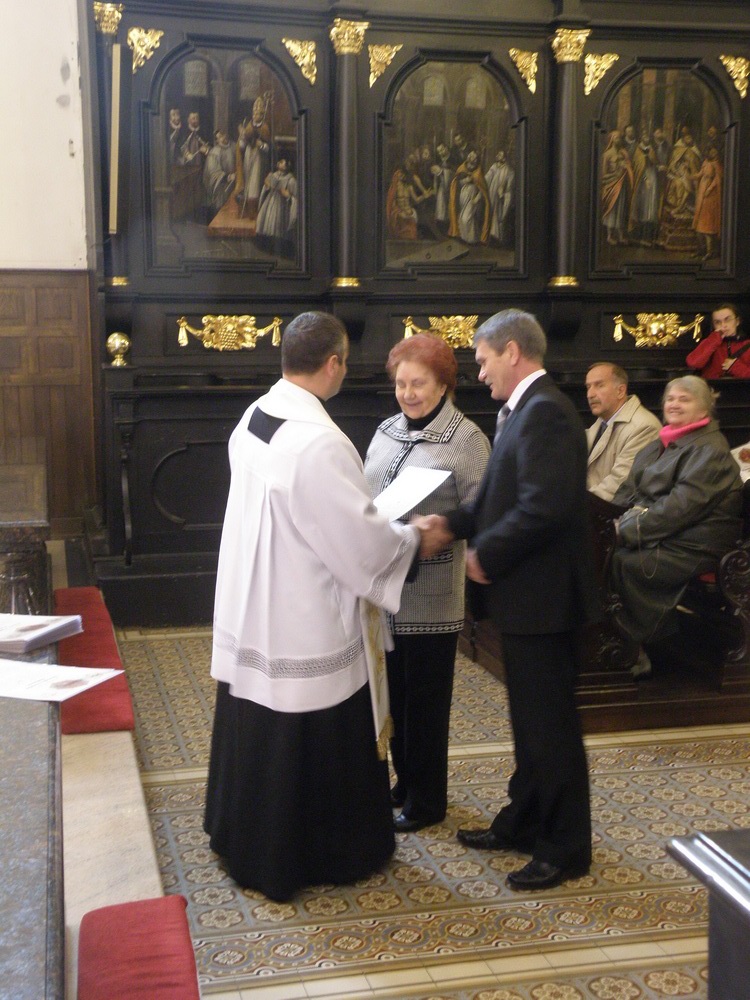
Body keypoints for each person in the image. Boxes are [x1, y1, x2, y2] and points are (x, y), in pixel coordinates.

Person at [204, 311, 432, 902]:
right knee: (310, 720)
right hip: (302, 616)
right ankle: (319, 853)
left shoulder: (255, 415)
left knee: (257, 716)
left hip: (256, 605)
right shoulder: (320, 442)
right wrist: (413, 540)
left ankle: (243, 836)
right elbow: (359, 542)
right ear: (333, 364)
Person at [417, 309, 598, 891]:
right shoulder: (522, 411)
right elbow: (501, 497)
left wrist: (486, 555)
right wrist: (451, 524)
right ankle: (523, 821)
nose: (479, 371)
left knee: (550, 728)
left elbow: (544, 507)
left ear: (512, 352)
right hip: (528, 602)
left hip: (546, 603)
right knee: (530, 722)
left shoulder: (547, 413)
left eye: (483, 359)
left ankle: (565, 848)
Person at [364, 334, 490, 833]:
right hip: (383, 590)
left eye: (418, 384)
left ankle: (427, 800)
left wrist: (443, 527)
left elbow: (483, 507)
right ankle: (405, 781)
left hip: (431, 595)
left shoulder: (467, 439)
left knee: (425, 705)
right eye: (401, 383)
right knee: (393, 696)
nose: (408, 393)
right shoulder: (386, 430)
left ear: (443, 385)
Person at [610, 376, 743, 677]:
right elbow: (628, 490)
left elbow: (678, 510)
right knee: (598, 552)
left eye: (685, 399)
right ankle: (609, 642)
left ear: (704, 409)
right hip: (665, 533)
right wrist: (606, 522)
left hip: (694, 542)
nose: (674, 404)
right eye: (670, 398)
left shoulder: (710, 449)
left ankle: (637, 649)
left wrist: (623, 532)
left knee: (624, 562)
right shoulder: (660, 443)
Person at [585, 362, 662, 501]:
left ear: (620, 391)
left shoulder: (643, 427)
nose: (590, 394)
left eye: (599, 385)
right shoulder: (603, 420)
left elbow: (620, 485)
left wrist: (574, 505)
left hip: (615, 511)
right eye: (588, 387)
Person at [686, 303, 750, 379]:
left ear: (737, 321)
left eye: (727, 320)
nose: (723, 325)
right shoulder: (711, 342)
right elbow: (693, 363)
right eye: (717, 322)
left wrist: (736, 367)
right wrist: (714, 339)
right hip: (713, 386)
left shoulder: (747, 344)